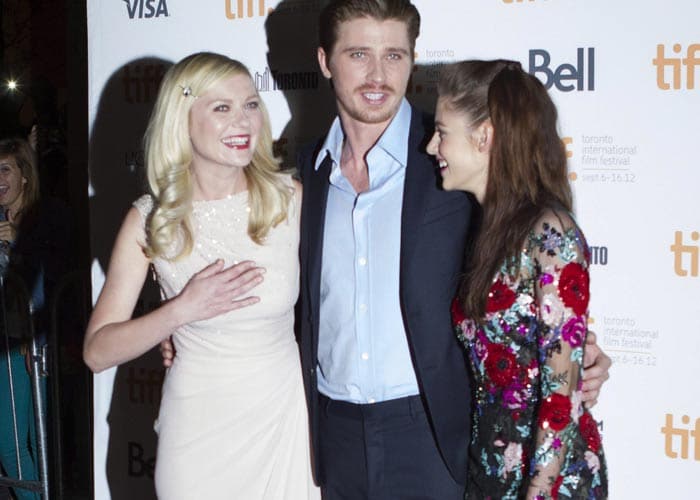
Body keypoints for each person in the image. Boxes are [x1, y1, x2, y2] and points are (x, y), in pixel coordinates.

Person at [159, 2, 611, 498]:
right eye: (358, 54)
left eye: (394, 55)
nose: (378, 75)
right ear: (325, 61)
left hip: (435, 433)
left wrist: (578, 354)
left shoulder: (452, 157)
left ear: (413, 60)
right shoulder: (302, 171)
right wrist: (183, 323)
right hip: (330, 432)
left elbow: (525, 272)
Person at [83, 52, 319, 499]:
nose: (244, 121)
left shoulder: (291, 201)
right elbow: (97, 352)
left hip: (283, 418)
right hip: (196, 432)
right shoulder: (150, 220)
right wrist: (179, 312)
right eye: (222, 108)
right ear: (183, 119)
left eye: (251, 104)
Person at [427, 59, 608, 498]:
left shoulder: (550, 233)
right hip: (490, 468)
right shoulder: (489, 232)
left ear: (484, 136)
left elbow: (560, 390)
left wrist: (540, 491)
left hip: (548, 479)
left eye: (442, 132)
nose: (432, 146)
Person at [0, 137, 41, 500]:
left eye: (5, 169)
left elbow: (52, 282)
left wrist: (19, 244)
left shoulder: (41, 221)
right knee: (15, 444)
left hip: (31, 344)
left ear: (24, 176)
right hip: (7, 344)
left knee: (26, 445)